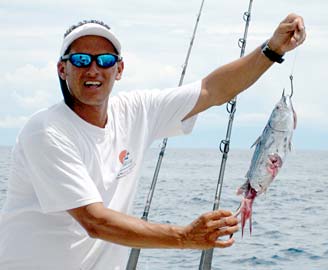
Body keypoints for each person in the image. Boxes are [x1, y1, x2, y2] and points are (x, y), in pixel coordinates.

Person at [0, 14, 305, 270]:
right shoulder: (46, 131)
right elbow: (95, 221)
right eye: (80, 59)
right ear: (62, 68)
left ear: (119, 70)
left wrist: (272, 49)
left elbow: (212, 91)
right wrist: (185, 237)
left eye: (105, 60)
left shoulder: (135, 111)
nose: (93, 69)